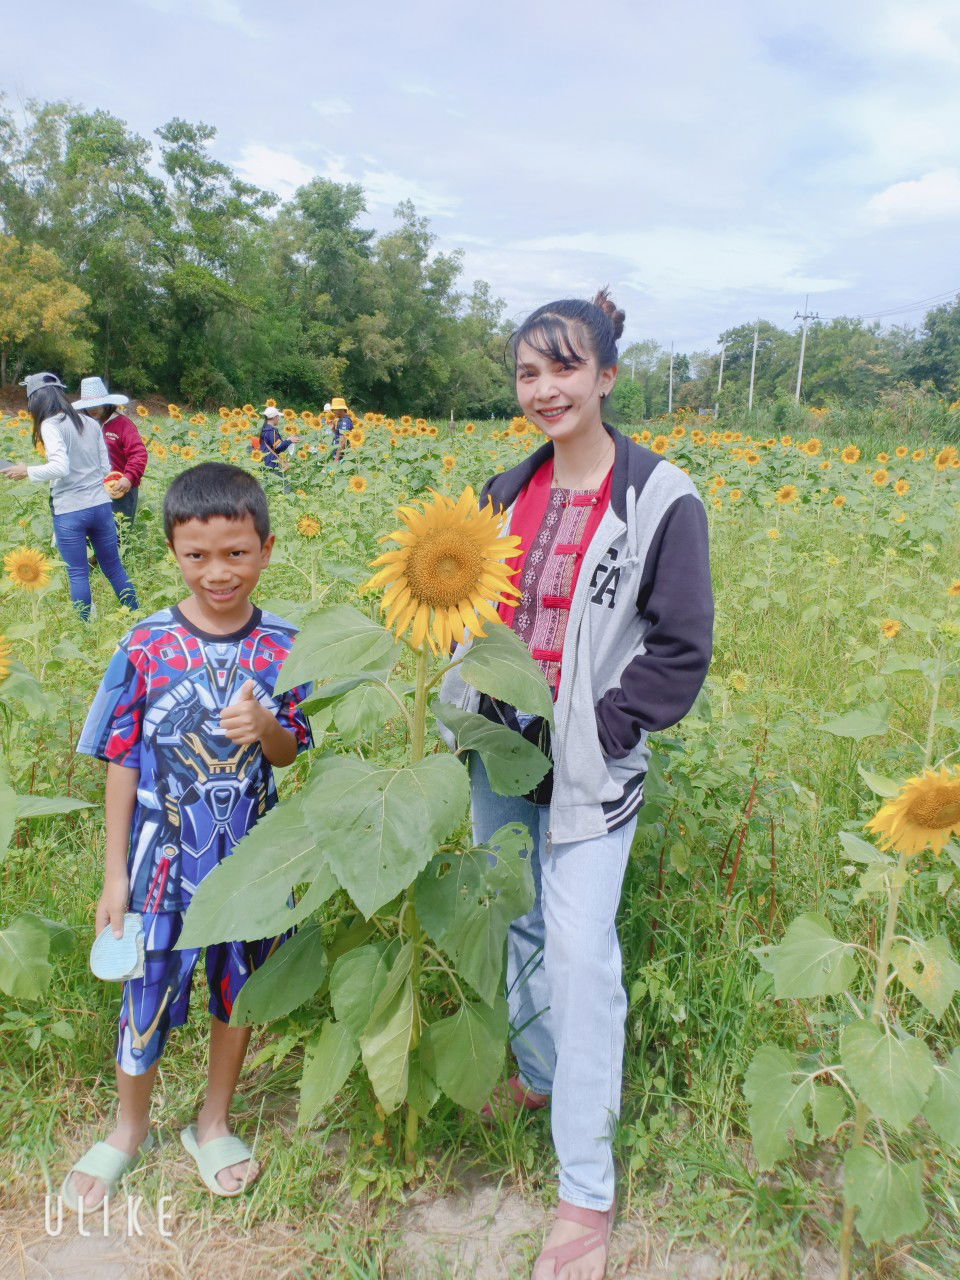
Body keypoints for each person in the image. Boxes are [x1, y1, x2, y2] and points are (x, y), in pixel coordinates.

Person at [439, 290, 713, 1279]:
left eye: (565, 367)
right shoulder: (505, 488)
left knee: (581, 954)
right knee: (514, 918)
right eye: (529, 371)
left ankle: (585, 1192)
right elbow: (472, 605)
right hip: (498, 748)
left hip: (591, 766)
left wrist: (603, 727)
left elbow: (681, 646)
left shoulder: (660, 497)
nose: (546, 388)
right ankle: (541, 1073)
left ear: (605, 375)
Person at [62, 463, 313, 1210]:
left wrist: (266, 724)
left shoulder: (287, 647)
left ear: (266, 549)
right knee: (143, 989)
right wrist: (114, 876)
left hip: (249, 864)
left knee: (239, 987)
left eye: (236, 553)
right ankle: (128, 1128)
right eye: (197, 555)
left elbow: (290, 753)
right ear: (173, 551)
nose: (218, 572)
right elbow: (122, 760)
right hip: (157, 868)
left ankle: (213, 1120)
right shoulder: (146, 644)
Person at [1, 372, 138, 619]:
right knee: (114, 567)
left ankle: (86, 627)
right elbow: (105, 468)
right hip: (100, 506)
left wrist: (27, 470)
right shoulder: (90, 423)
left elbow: (60, 467)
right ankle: (137, 615)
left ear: (36, 401)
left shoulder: (50, 424)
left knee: (78, 573)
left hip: (70, 511)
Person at [73, 377, 148, 525]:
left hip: (120, 488)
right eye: (89, 405)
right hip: (91, 490)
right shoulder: (83, 425)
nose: (93, 409)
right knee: (92, 534)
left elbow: (138, 453)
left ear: (106, 403)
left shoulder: (123, 424)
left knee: (119, 533)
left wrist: (129, 477)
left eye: (97, 404)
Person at [258, 406, 292, 471]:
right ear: (274, 417)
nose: (279, 419)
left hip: (263, 462)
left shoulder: (263, 429)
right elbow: (278, 447)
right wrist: (290, 441)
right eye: (278, 416)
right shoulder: (271, 431)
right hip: (272, 463)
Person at [330, 396, 352, 461]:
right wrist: (333, 429)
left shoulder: (344, 422)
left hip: (341, 456)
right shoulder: (342, 420)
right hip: (339, 454)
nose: (333, 412)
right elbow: (339, 436)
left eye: (334, 410)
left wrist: (337, 458)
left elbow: (343, 441)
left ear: (340, 409)